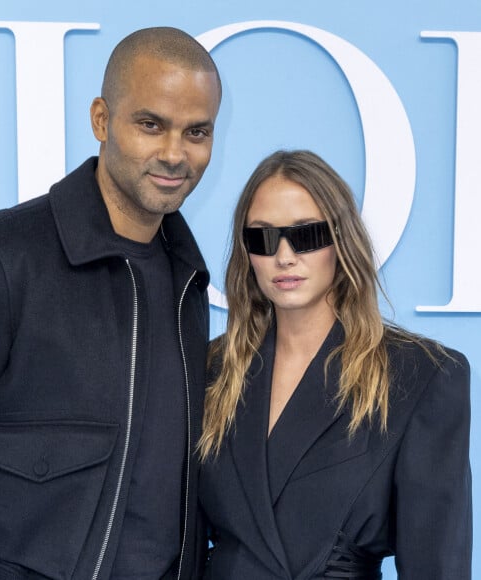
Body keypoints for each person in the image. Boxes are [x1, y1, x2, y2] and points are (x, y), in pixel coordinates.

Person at [0, 27, 221, 580]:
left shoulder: (187, 281)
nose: (174, 154)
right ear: (101, 119)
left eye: (197, 132)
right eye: (151, 125)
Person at [198, 150, 472, 579]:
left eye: (306, 236)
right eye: (263, 239)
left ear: (341, 240)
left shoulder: (420, 374)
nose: (284, 257)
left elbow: (436, 565)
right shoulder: (210, 371)